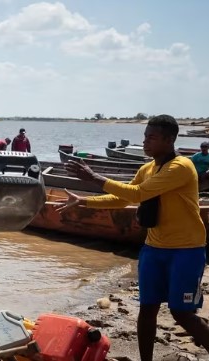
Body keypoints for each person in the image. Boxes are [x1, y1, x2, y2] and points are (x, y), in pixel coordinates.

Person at [56, 115, 209, 361]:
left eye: (152, 137)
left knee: (181, 312)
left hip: (186, 249)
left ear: (170, 140)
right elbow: (124, 198)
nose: (145, 141)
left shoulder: (181, 167)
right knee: (147, 308)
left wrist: (94, 177)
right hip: (154, 248)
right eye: (145, 136)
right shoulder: (147, 168)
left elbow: (138, 193)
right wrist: (83, 201)